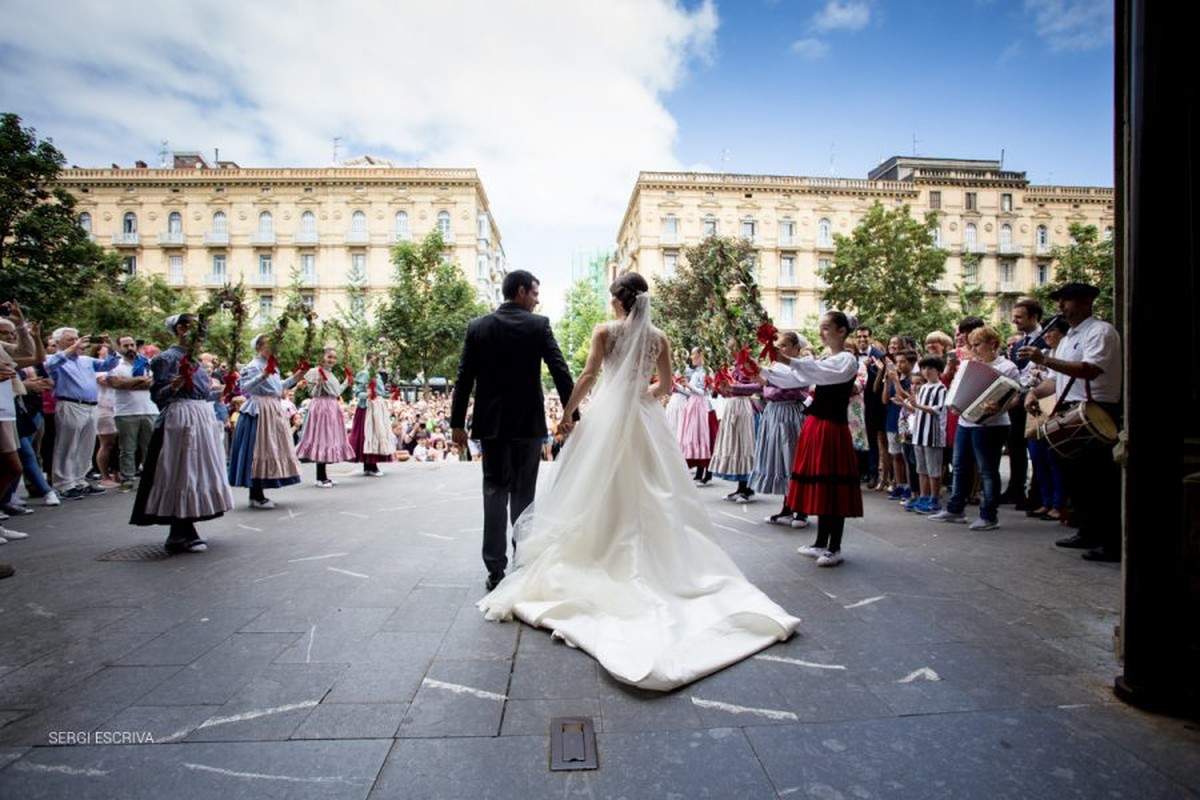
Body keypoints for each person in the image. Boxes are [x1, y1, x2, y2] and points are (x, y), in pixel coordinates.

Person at [478, 273, 800, 690]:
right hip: (645, 422)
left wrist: (568, 415)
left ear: (617, 300)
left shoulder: (605, 332)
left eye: (611, 297)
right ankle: (662, 566)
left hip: (607, 422)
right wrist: (635, 399)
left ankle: (601, 554)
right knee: (656, 491)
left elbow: (589, 376)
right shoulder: (659, 338)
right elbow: (665, 386)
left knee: (593, 489)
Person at [451, 269, 576, 591]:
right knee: (524, 494)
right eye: (534, 293)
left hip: (491, 425)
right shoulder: (539, 325)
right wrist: (572, 413)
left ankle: (495, 570)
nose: (537, 300)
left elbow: (464, 378)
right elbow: (560, 370)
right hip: (528, 424)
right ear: (521, 292)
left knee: (494, 492)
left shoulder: (477, 327)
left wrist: (456, 424)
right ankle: (522, 564)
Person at [1020, 282, 1122, 562]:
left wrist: (1044, 360)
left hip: (1096, 409)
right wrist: (1035, 392)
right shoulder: (1066, 339)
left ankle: (1111, 541)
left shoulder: (1101, 332)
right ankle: (1088, 530)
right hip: (1071, 408)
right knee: (1078, 479)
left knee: (1101, 480)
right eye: (1060, 300)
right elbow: (1058, 379)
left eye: (1067, 300)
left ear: (1086, 302)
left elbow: (1090, 369)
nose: (1061, 305)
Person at [130, 315, 233, 553]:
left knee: (196, 472)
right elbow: (158, 396)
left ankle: (186, 527)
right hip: (180, 418)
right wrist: (174, 385)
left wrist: (223, 390)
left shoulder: (195, 360)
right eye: (190, 326)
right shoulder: (166, 359)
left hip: (199, 416)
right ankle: (178, 531)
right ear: (179, 329)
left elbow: (201, 394)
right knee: (181, 471)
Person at [784, 312, 864, 567]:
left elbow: (816, 372)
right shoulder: (828, 359)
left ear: (842, 331)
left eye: (827, 328)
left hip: (831, 428)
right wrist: (762, 372)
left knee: (832, 485)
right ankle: (820, 542)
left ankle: (835, 547)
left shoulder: (847, 360)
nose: (822, 333)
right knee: (820, 484)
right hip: (817, 425)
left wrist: (784, 360)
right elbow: (799, 377)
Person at [930, 327, 1021, 530]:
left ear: (993, 344)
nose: (974, 349)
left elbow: (1015, 397)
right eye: (972, 344)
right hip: (966, 422)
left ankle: (989, 515)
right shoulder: (969, 365)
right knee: (960, 466)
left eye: (978, 344)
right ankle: (955, 509)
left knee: (988, 471)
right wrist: (954, 402)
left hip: (992, 425)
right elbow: (957, 388)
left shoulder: (1008, 367)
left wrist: (1000, 405)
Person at [228, 333, 303, 509]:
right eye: (269, 346)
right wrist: (262, 375)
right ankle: (255, 494)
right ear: (259, 347)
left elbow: (279, 387)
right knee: (258, 449)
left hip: (272, 408)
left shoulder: (272, 366)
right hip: (259, 409)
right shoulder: (253, 366)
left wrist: (297, 376)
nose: (273, 349)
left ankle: (259, 492)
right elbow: (244, 387)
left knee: (270, 448)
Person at [743, 331, 810, 528]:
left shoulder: (801, 368)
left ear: (797, 348)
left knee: (792, 459)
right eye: (779, 346)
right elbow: (763, 388)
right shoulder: (775, 368)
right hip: (774, 413)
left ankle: (802, 511)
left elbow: (795, 390)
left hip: (790, 413)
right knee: (780, 460)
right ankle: (787, 507)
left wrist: (768, 383)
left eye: (785, 346)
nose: (780, 350)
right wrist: (733, 388)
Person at [44, 327, 119, 499]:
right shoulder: (56, 359)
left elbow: (109, 364)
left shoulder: (86, 360)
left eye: (77, 338)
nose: (77, 342)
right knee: (67, 445)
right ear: (58, 343)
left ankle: (80, 480)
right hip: (70, 404)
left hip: (91, 405)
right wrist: (72, 348)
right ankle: (64, 484)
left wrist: (111, 347)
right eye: (71, 339)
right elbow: (50, 365)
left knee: (86, 445)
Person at [1002, 298, 1044, 509]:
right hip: (1018, 399)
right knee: (1015, 445)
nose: (1015, 320)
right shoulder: (1019, 343)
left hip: (1039, 399)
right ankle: (1016, 488)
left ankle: (1037, 493)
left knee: (1035, 447)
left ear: (1034, 317)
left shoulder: (1046, 340)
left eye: (1019, 316)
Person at [296, 347, 355, 488]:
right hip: (321, 406)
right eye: (329, 357)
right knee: (322, 438)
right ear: (322, 357)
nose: (332, 360)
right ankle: (320, 477)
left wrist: (347, 381)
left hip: (331, 405)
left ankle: (324, 476)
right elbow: (312, 392)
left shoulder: (331, 374)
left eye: (334, 358)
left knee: (329, 439)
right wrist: (319, 384)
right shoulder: (314, 372)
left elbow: (336, 392)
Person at [106, 334, 157, 492]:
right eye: (125, 345)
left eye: (132, 345)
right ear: (120, 347)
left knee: (150, 448)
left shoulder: (146, 363)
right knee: (127, 449)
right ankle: (127, 478)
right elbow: (117, 384)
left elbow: (153, 382)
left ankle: (151, 478)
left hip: (149, 410)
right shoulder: (115, 365)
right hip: (126, 412)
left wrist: (130, 382)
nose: (130, 348)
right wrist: (140, 381)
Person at [711, 337, 758, 502]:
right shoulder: (735, 367)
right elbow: (730, 391)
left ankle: (747, 488)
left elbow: (758, 386)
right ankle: (740, 487)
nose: (730, 353)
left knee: (744, 445)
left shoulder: (748, 366)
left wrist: (734, 387)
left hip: (743, 406)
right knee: (735, 446)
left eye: (733, 349)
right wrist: (721, 388)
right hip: (733, 405)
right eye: (729, 349)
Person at [349, 354, 393, 476]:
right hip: (367, 408)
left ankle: (370, 465)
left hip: (377, 407)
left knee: (376, 434)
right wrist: (368, 395)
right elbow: (358, 392)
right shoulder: (364, 373)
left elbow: (381, 392)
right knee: (368, 435)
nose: (375, 363)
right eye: (373, 360)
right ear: (367, 360)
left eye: (377, 361)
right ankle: (370, 465)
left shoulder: (377, 375)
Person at [678, 346, 715, 484]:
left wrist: (688, 386)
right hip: (693, 405)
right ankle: (700, 471)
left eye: (693, 354)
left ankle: (706, 471)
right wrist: (678, 387)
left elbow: (703, 392)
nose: (691, 357)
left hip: (701, 407)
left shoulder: (706, 371)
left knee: (702, 437)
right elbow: (691, 392)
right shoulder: (696, 373)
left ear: (700, 355)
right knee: (696, 437)